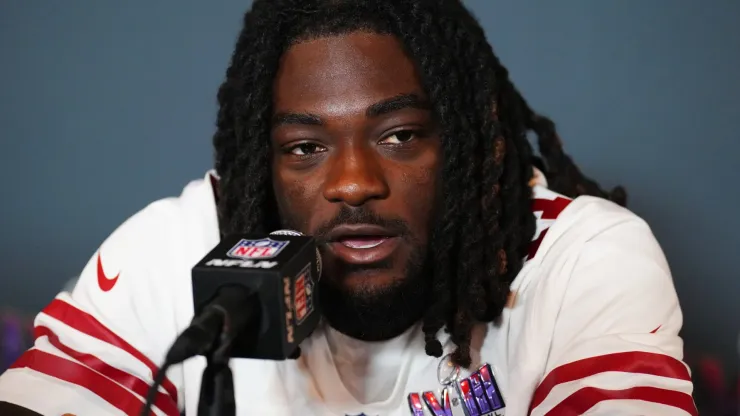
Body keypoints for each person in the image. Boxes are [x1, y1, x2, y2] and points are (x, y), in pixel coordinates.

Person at [0, 1, 696, 415]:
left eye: (400, 136)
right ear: (262, 161)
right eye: (305, 147)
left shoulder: (583, 259)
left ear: (468, 138)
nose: (354, 182)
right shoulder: (180, 251)